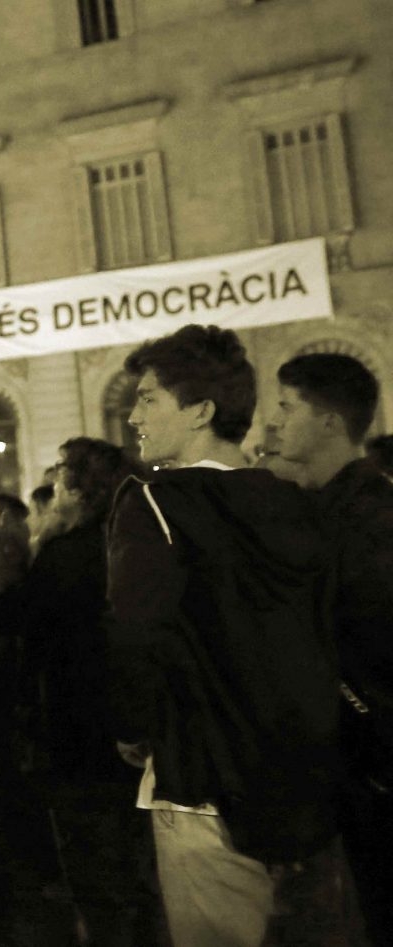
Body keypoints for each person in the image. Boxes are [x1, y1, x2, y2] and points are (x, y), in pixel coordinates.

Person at [106, 325, 344, 945]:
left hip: (200, 775)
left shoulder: (156, 503)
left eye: (150, 398)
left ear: (202, 411)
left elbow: (135, 633)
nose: (133, 415)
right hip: (300, 772)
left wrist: (134, 727)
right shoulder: (297, 502)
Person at [0, 437, 159, 946]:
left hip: (76, 730)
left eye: (60, 475)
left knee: (96, 868)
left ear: (80, 489)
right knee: (136, 863)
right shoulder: (122, 541)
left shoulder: (66, 553)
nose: (53, 486)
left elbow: (10, 616)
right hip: (127, 726)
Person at [270, 353, 393, 944]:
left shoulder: (371, 517)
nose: (275, 422)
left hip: (373, 769)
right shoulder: (322, 510)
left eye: (287, 407)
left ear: (328, 421)